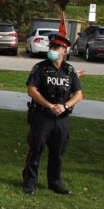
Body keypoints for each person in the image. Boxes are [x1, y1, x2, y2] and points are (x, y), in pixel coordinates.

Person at [22, 34, 82, 195]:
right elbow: (32, 90)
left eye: (56, 48)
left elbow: (79, 94)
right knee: (36, 149)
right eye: (51, 47)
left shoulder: (69, 71)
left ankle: (55, 182)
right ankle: (30, 183)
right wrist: (49, 105)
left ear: (64, 51)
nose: (52, 50)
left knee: (58, 152)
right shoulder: (40, 68)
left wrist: (66, 105)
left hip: (62, 118)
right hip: (43, 115)